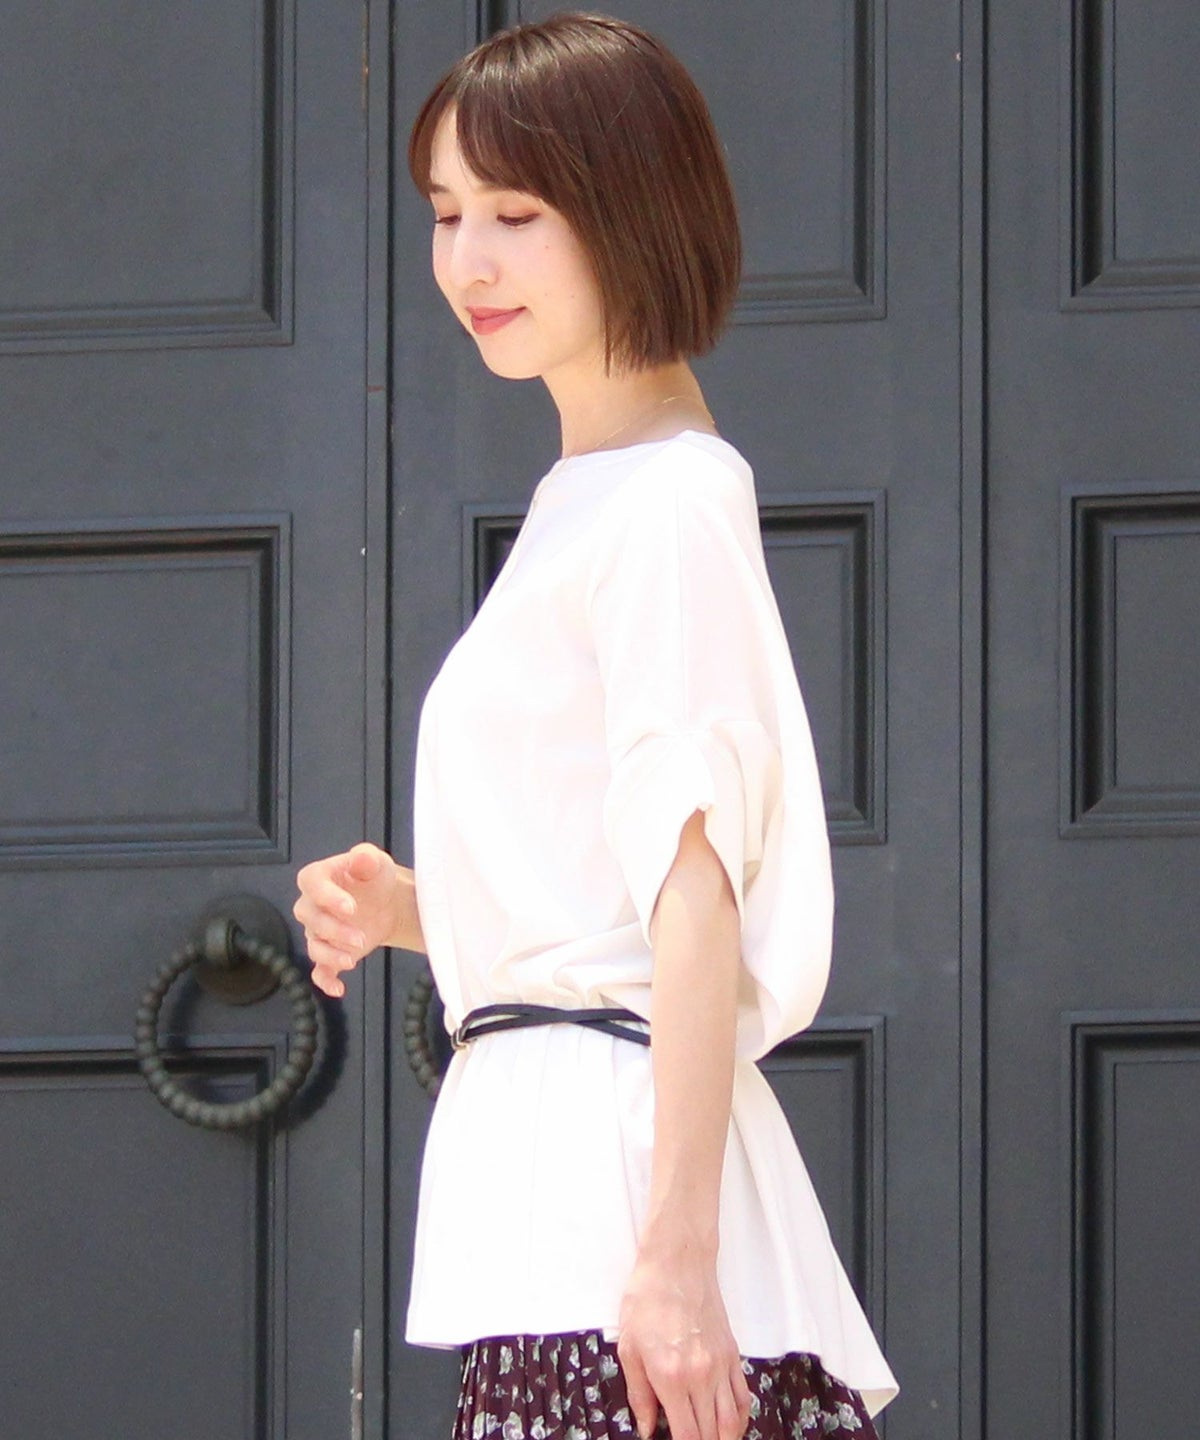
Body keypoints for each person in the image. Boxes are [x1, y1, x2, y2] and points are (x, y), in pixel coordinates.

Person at [294, 13, 899, 1440]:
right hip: (552, 1207)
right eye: (446, 212)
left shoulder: (669, 499)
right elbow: (613, 898)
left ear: (633, 208)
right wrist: (420, 911)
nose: (468, 262)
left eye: (515, 214)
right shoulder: (594, 498)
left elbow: (695, 888)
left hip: (619, 1221)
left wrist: (677, 1261)